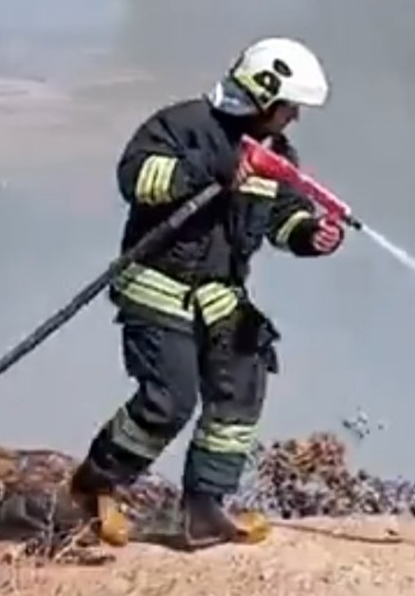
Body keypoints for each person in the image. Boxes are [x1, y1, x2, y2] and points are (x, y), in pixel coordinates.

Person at [65, 37, 346, 550]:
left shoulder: (276, 154)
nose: (295, 118)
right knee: (169, 401)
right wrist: (213, 168)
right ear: (263, 95)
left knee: (242, 383)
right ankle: (95, 486)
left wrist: (311, 236)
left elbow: (283, 217)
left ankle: (203, 508)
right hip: (157, 284)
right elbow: (136, 178)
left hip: (219, 293)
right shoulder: (181, 126)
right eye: (289, 106)